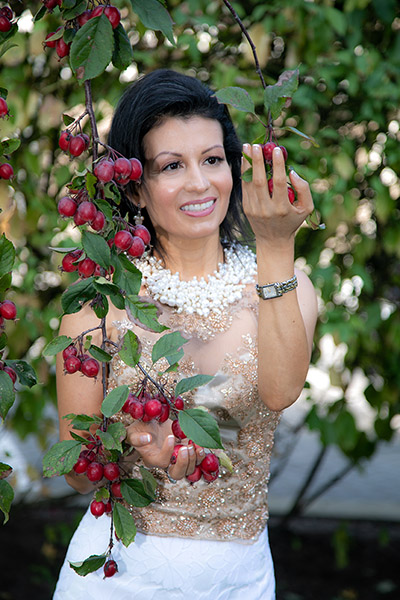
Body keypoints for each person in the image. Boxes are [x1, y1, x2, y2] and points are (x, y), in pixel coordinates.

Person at [53, 69, 318, 599]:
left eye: (213, 159)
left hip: (240, 579)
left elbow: (280, 391)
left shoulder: (287, 283)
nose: (200, 183)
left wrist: (276, 244)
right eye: (172, 166)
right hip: (118, 575)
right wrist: (126, 441)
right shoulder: (100, 306)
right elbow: (77, 475)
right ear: (136, 184)